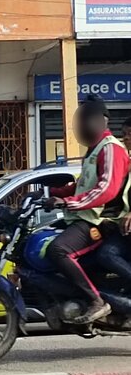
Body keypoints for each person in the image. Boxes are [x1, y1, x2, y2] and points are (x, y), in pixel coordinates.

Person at [46, 94, 131, 325]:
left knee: (57, 250)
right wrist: (53, 193)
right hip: (84, 216)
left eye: (88, 119)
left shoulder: (111, 148)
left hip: (98, 220)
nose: (83, 125)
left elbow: (107, 190)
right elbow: (83, 185)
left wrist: (68, 202)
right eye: (81, 120)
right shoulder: (95, 150)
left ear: (103, 121)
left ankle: (96, 301)